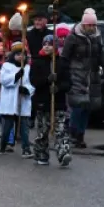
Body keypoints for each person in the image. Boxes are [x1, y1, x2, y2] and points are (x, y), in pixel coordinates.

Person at [61, 8, 104, 149]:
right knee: (78, 105)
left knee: (88, 107)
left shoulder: (97, 36)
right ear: (84, 24)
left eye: (94, 25)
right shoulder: (73, 37)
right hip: (77, 75)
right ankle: (73, 132)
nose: (92, 27)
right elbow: (65, 57)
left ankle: (81, 134)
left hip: (92, 75)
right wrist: (64, 75)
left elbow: (101, 53)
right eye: (89, 25)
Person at [30, 34, 72, 166]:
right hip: (43, 102)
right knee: (43, 132)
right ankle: (41, 155)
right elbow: (33, 81)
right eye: (45, 44)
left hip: (58, 103)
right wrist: (46, 80)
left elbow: (68, 83)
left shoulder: (61, 62)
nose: (47, 46)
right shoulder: (37, 62)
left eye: (50, 44)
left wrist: (58, 87)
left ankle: (63, 153)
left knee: (61, 130)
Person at [0, 42, 35, 157]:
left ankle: (26, 148)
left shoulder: (28, 68)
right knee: (7, 127)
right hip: (9, 102)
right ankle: (3, 145)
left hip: (22, 102)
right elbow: (3, 80)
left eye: (23, 54)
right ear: (13, 55)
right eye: (18, 54)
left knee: (24, 128)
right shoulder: (6, 66)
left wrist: (27, 90)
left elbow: (32, 83)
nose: (21, 56)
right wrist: (16, 76)